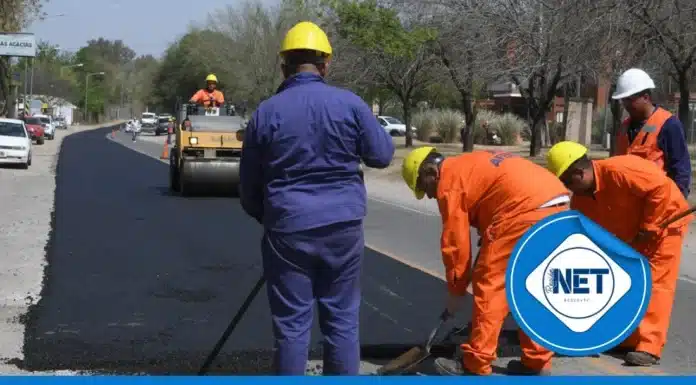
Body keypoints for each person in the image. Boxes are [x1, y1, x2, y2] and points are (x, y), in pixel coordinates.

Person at [238, 21, 395, 375]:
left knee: (292, 327)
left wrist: (275, 220)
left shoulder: (266, 112)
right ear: (326, 65)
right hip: (342, 227)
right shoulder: (351, 105)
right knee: (341, 321)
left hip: (288, 227)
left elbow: (248, 188)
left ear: (284, 66)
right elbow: (382, 155)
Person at [401, 147, 571, 376]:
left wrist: (456, 290)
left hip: (523, 211)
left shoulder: (449, 183)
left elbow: (455, 245)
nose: (430, 195)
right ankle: (537, 361)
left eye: (425, 187)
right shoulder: (468, 163)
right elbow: (495, 192)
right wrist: (491, 228)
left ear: (431, 171)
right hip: (557, 205)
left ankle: (476, 363)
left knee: (491, 285)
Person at [546, 141, 692, 367]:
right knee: (628, 281)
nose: (566, 188)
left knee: (656, 283)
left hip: (666, 225)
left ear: (579, 172)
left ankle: (649, 346)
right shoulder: (582, 201)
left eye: (567, 181)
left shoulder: (621, 169)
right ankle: (627, 339)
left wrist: (651, 225)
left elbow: (660, 189)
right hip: (637, 233)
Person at [611, 68, 691, 198]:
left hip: (657, 203)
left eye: (629, 100)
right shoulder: (624, 126)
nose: (626, 105)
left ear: (645, 97)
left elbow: (681, 169)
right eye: (623, 100)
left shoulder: (669, 124)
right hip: (628, 205)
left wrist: (677, 201)